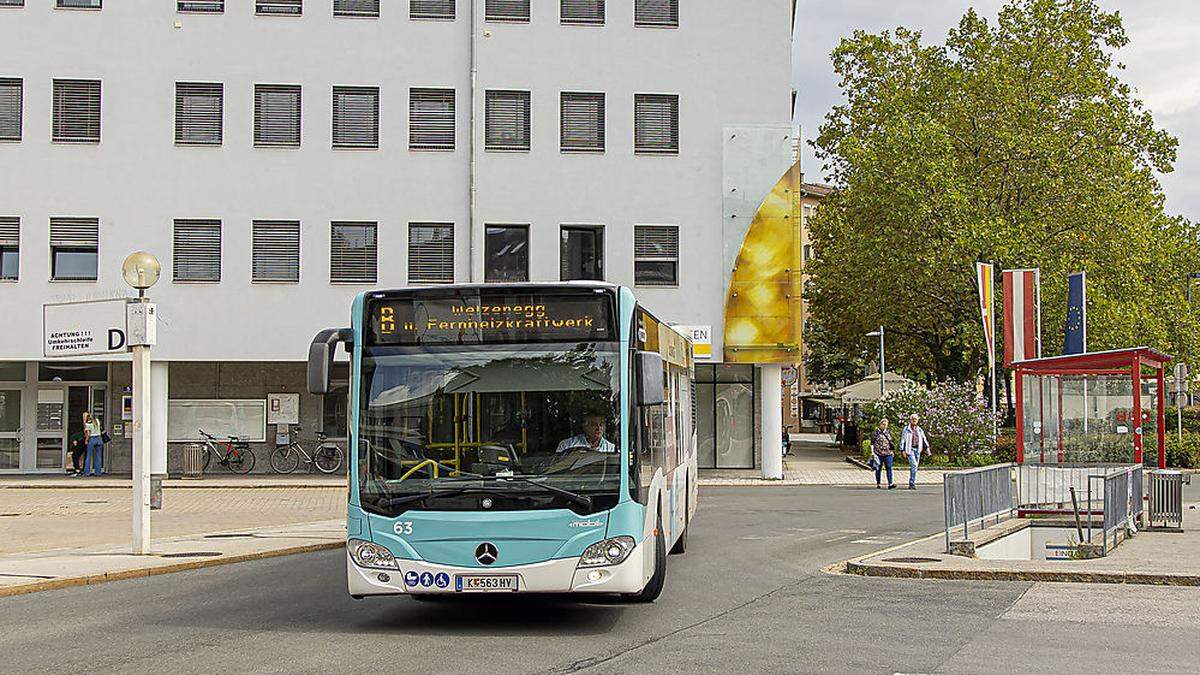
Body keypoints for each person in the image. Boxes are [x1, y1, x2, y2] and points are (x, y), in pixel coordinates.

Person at [900, 413, 930, 490]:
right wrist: (902, 450)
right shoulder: (906, 429)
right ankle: (912, 483)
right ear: (910, 420)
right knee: (914, 465)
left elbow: (924, 439)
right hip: (910, 449)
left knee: (915, 467)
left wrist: (927, 449)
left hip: (918, 449)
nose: (914, 420)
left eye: (915, 419)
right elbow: (903, 440)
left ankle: (912, 482)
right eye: (913, 419)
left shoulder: (919, 430)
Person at [871, 418, 895, 489]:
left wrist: (892, 451)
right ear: (880, 424)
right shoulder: (875, 433)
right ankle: (878, 483)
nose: (884, 426)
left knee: (889, 467)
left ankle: (890, 483)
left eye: (886, 425)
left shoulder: (888, 432)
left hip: (888, 453)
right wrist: (872, 453)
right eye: (883, 424)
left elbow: (890, 442)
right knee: (878, 468)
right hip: (879, 453)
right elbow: (872, 443)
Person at [83, 412, 104, 477]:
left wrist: (86, 440)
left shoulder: (87, 424)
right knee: (98, 456)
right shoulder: (97, 421)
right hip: (99, 438)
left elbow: (88, 434)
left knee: (88, 456)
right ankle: (98, 473)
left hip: (92, 439)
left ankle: (87, 473)